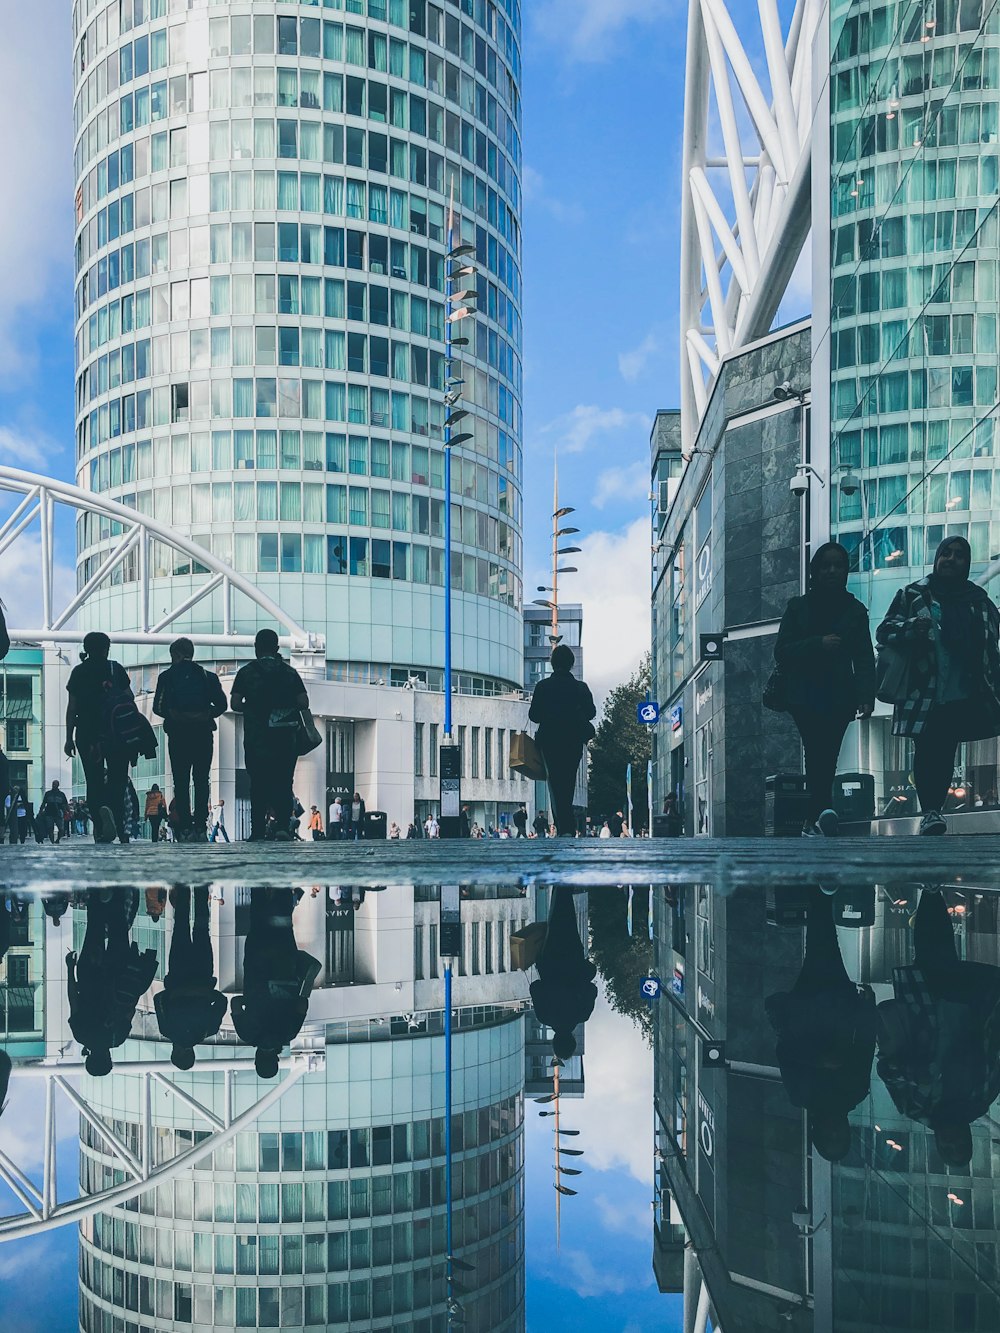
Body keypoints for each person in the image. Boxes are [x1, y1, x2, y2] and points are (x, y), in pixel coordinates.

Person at [876, 536, 1000, 835]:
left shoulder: (979, 600)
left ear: (967, 563)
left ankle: (933, 811)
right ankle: (931, 810)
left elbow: (992, 649)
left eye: (959, 555)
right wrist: (911, 628)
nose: (951, 559)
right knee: (927, 748)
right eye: (946, 553)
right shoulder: (915, 594)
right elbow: (884, 631)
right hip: (923, 689)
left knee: (945, 750)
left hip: (963, 690)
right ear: (937, 558)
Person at [875, 886, 1000, 1166]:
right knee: (941, 955)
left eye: (947, 1145)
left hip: (925, 1013)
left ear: (938, 1141)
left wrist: (916, 1072)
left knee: (931, 955)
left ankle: (931, 892)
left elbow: (886, 1069)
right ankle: (931, 892)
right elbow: (994, 1056)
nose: (951, 1138)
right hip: (967, 1008)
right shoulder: (980, 1099)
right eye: (959, 1143)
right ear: (967, 1137)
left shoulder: (914, 1107)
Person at [765, 885, 877, 1161]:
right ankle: (820, 893)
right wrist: (867, 1010)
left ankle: (821, 893)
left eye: (830, 1137)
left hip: (810, 1007)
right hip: (836, 1006)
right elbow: (864, 1046)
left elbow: (785, 1053)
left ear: (818, 1132)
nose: (835, 1131)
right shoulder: (855, 1092)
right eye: (840, 1137)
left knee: (822, 947)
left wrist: (819, 1061)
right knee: (823, 947)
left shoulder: (802, 1096)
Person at [772, 542, 876, 837]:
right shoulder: (798, 607)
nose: (832, 570)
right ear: (815, 571)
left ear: (845, 571)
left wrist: (866, 697)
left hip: (841, 694)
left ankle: (815, 817)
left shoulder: (855, 610)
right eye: (826, 565)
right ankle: (821, 811)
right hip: (803, 694)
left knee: (827, 752)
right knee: (819, 749)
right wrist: (818, 644)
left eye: (838, 565)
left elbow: (864, 657)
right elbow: (782, 651)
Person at [65, 632, 152, 845]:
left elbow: (72, 707)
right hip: (116, 733)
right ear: (106, 648)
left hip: (88, 734)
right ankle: (121, 830)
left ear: (86, 648)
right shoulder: (115, 668)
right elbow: (129, 698)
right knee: (118, 780)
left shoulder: (79, 672)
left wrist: (69, 737)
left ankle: (101, 829)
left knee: (93, 782)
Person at [66, 890, 158, 1076]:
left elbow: (130, 1009)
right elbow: (73, 1000)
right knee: (94, 927)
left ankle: (117, 891)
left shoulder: (117, 1038)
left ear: (108, 1060)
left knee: (119, 929)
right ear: (90, 1059)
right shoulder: (81, 1035)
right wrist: (70, 969)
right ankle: (96, 892)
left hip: (118, 975)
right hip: (89, 974)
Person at [230, 629, 310, 842]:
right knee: (284, 782)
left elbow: (235, 704)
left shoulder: (246, 673)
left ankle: (257, 831)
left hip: (257, 739)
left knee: (257, 783)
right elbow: (304, 702)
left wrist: (255, 706)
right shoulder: (289, 673)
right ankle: (283, 826)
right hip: (285, 738)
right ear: (276, 648)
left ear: (256, 648)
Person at [231, 889, 321, 1077]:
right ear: (257, 1059)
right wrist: (251, 999)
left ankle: (282, 879)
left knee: (282, 921)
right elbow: (236, 1004)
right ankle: (258, 877)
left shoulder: (289, 1033)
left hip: (284, 961)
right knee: (257, 919)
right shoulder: (247, 1033)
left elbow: (302, 1004)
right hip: (257, 961)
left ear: (277, 1059)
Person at [153, 638, 228, 843]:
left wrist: (176, 714)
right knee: (202, 780)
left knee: (181, 780)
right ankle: (201, 826)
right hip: (203, 733)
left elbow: (157, 708)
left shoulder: (167, 677)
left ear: (175, 654)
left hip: (178, 735)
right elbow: (222, 704)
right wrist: (204, 715)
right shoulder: (207, 677)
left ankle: (185, 827)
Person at [154, 887, 227, 1069]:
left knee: (202, 929)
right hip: (178, 973)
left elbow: (222, 1002)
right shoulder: (167, 1030)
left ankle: (201, 889)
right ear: (175, 1052)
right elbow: (158, 999)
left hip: (202, 974)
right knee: (181, 926)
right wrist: (176, 993)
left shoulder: (209, 1030)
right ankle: (183, 886)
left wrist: (205, 992)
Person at [528, 645, 597, 837]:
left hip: (549, 739)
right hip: (573, 739)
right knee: (568, 780)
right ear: (571, 664)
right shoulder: (580, 688)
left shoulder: (543, 686)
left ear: (552, 663)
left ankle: (563, 825)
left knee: (555, 782)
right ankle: (566, 825)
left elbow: (534, 715)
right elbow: (591, 712)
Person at [529, 887, 599, 1061]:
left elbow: (592, 989)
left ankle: (564, 889)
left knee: (568, 921)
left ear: (573, 1039)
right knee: (555, 922)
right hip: (550, 959)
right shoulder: (544, 1016)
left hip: (573, 958)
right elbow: (535, 987)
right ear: (555, 1040)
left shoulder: (582, 1014)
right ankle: (559, 889)